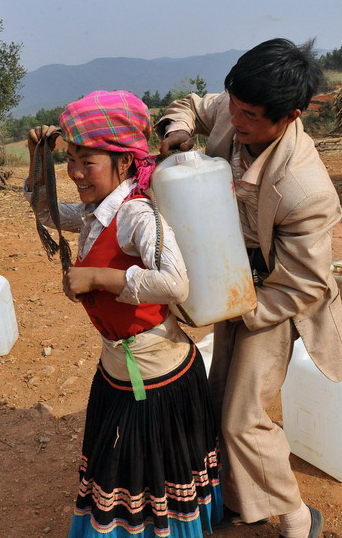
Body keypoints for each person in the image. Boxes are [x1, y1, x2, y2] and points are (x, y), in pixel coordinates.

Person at [156, 38, 342, 538]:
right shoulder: (233, 108)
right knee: (220, 394)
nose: (236, 122)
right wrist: (177, 134)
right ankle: (242, 501)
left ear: (289, 116)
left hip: (278, 296)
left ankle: (298, 519)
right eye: (234, 107)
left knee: (244, 415)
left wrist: (240, 309)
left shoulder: (305, 188)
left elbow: (304, 282)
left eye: (250, 116)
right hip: (231, 276)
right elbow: (190, 107)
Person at [25, 90, 222, 538]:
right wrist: (40, 159)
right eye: (70, 159)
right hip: (119, 368)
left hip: (157, 379)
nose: (75, 172)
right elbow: (45, 208)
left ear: (125, 164)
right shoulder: (97, 211)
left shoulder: (136, 213)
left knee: (143, 474)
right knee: (135, 475)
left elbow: (175, 284)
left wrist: (98, 279)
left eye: (87, 161)